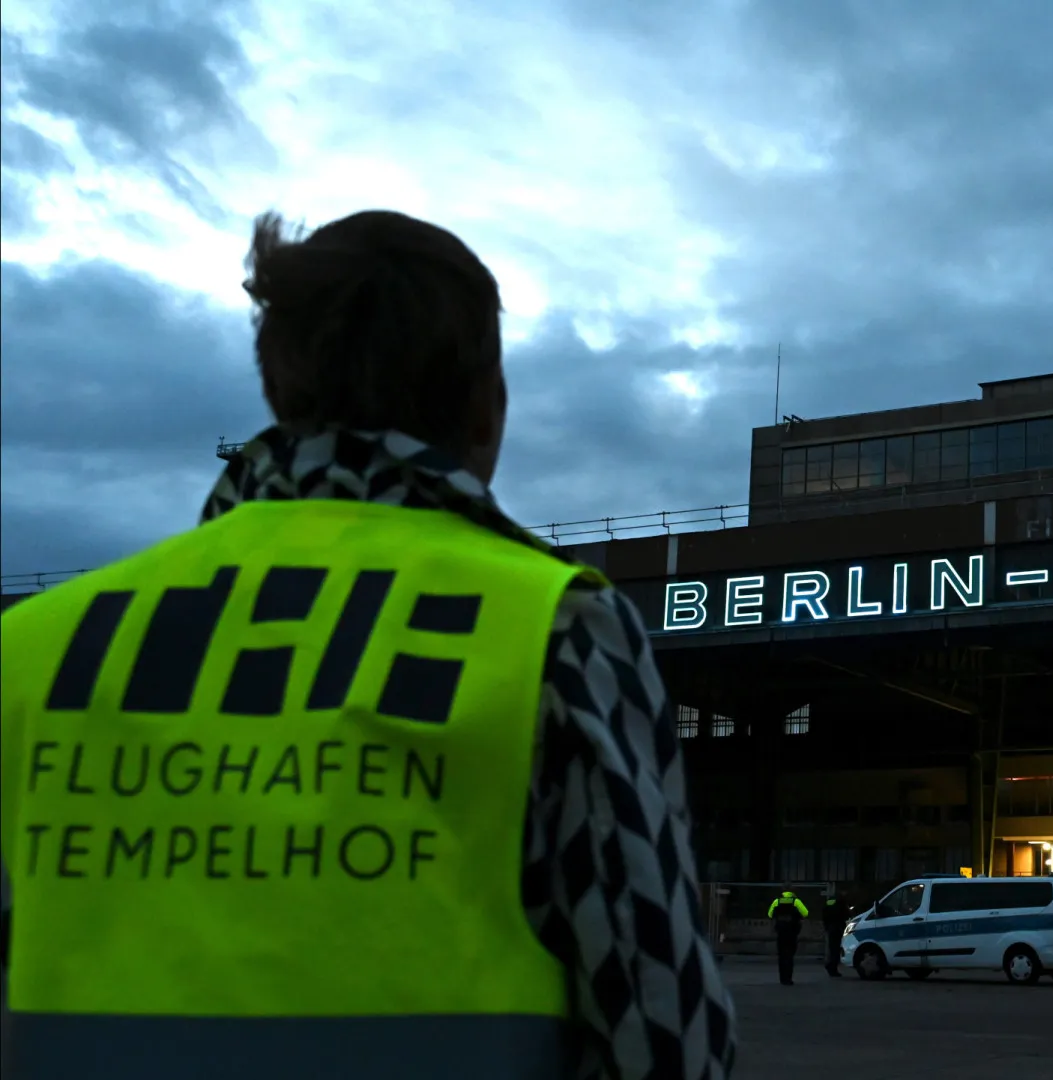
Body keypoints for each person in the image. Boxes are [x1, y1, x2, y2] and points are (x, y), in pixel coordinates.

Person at [0, 210, 736, 1079]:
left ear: (279, 388)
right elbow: (665, 1033)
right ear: (486, 409)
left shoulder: (35, 648)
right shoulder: (558, 629)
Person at [766, 889, 810, 986]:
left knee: (781, 956)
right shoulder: (796, 901)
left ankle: (782, 978)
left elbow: (769, 914)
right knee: (789, 956)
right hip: (792, 933)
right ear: (792, 893)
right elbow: (806, 913)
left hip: (781, 933)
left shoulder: (777, 901)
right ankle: (788, 978)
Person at [819, 892, 848, 977]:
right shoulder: (841, 901)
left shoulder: (830, 901)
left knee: (832, 948)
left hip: (830, 927)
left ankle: (830, 965)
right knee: (836, 949)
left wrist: (826, 925)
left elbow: (824, 912)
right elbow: (846, 914)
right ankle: (832, 967)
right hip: (838, 927)